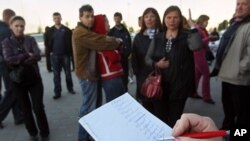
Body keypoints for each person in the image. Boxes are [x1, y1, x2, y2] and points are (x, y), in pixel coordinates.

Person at [72, 4, 122, 141]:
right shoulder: (80, 32)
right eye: (87, 16)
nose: (90, 19)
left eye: (92, 16)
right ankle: (83, 137)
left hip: (90, 75)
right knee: (89, 107)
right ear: (80, 17)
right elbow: (100, 41)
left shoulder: (85, 30)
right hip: (87, 76)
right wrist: (117, 41)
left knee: (93, 106)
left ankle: (89, 135)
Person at [145, 6, 197, 127]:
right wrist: (156, 64)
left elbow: (197, 46)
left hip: (180, 87)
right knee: (160, 120)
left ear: (180, 19)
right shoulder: (158, 37)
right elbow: (147, 58)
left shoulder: (187, 36)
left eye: (175, 17)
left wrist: (193, 27)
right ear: (164, 19)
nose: (172, 20)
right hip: (160, 87)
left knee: (175, 121)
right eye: (168, 17)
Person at [2, 16, 50, 141]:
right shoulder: (6, 42)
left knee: (38, 107)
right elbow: (9, 60)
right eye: (17, 25)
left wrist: (20, 59)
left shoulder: (30, 39)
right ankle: (33, 133)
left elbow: (38, 56)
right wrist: (25, 55)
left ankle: (44, 133)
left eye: (22, 26)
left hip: (34, 78)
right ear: (11, 26)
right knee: (25, 109)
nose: (19, 28)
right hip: (18, 81)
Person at [212, 0, 250, 130]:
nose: (239, 7)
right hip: (227, 77)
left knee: (242, 117)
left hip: (239, 80)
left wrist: (240, 68)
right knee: (229, 113)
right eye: (238, 4)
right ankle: (226, 134)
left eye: (244, 4)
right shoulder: (236, 24)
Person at [131, 7, 162, 114]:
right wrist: (139, 77)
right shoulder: (139, 37)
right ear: (143, 19)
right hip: (144, 79)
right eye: (146, 16)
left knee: (160, 111)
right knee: (147, 110)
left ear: (157, 19)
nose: (149, 19)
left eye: (152, 16)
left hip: (161, 79)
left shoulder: (163, 35)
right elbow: (134, 58)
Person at [93, 14, 125, 103]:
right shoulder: (102, 40)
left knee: (119, 104)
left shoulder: (104, 38)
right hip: (111, 78)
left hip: (113, 77)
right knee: (116, 106)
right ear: (99, 24)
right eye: (106, 22)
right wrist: (117, 49)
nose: (109, 24)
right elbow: (115, 57)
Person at [0, 9, 24, 129]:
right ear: (9, 17)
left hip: (4, 64)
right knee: (11, 91)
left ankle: (18, 116)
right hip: (8, 65)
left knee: (13, 90)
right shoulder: (5, 31)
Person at [44, 12, 75, 99]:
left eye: (58, 18)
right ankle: (57, 92)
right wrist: (50, 51)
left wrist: (70, 54)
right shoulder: (50, 31)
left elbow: (71, 43)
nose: (57, 19)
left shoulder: (67, 30)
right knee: (56, 75)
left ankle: (70, 88)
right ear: (53, 19)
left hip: (65, 56)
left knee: (68, 74)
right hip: (55, 56)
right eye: (55, 18)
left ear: (61, 18)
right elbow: (46, 42)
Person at [191, 14, 215, 104]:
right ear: (202, 20)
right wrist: (209, 38)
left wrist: (210, 39)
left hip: (201, 54)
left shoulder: (202, 29)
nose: (207, 23)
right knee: (206, 74)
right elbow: (198, 42)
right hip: (199, 54)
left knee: (198, 75)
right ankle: (206, 96)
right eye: (206, 21)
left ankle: (194, 92)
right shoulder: (197, 29)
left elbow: (204, 42)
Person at [108, 12, 132, 91]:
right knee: (118, 79)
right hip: (116, 60)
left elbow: (129, 42)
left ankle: (126, 93)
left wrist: (129, 53)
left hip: (125, 59)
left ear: (121, 19)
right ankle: (120, 96)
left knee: (125, 78)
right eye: (115, 18)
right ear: (114, 19)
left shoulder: (125, 30)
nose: (117, 20)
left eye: (118, 18)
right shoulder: (111, 31)